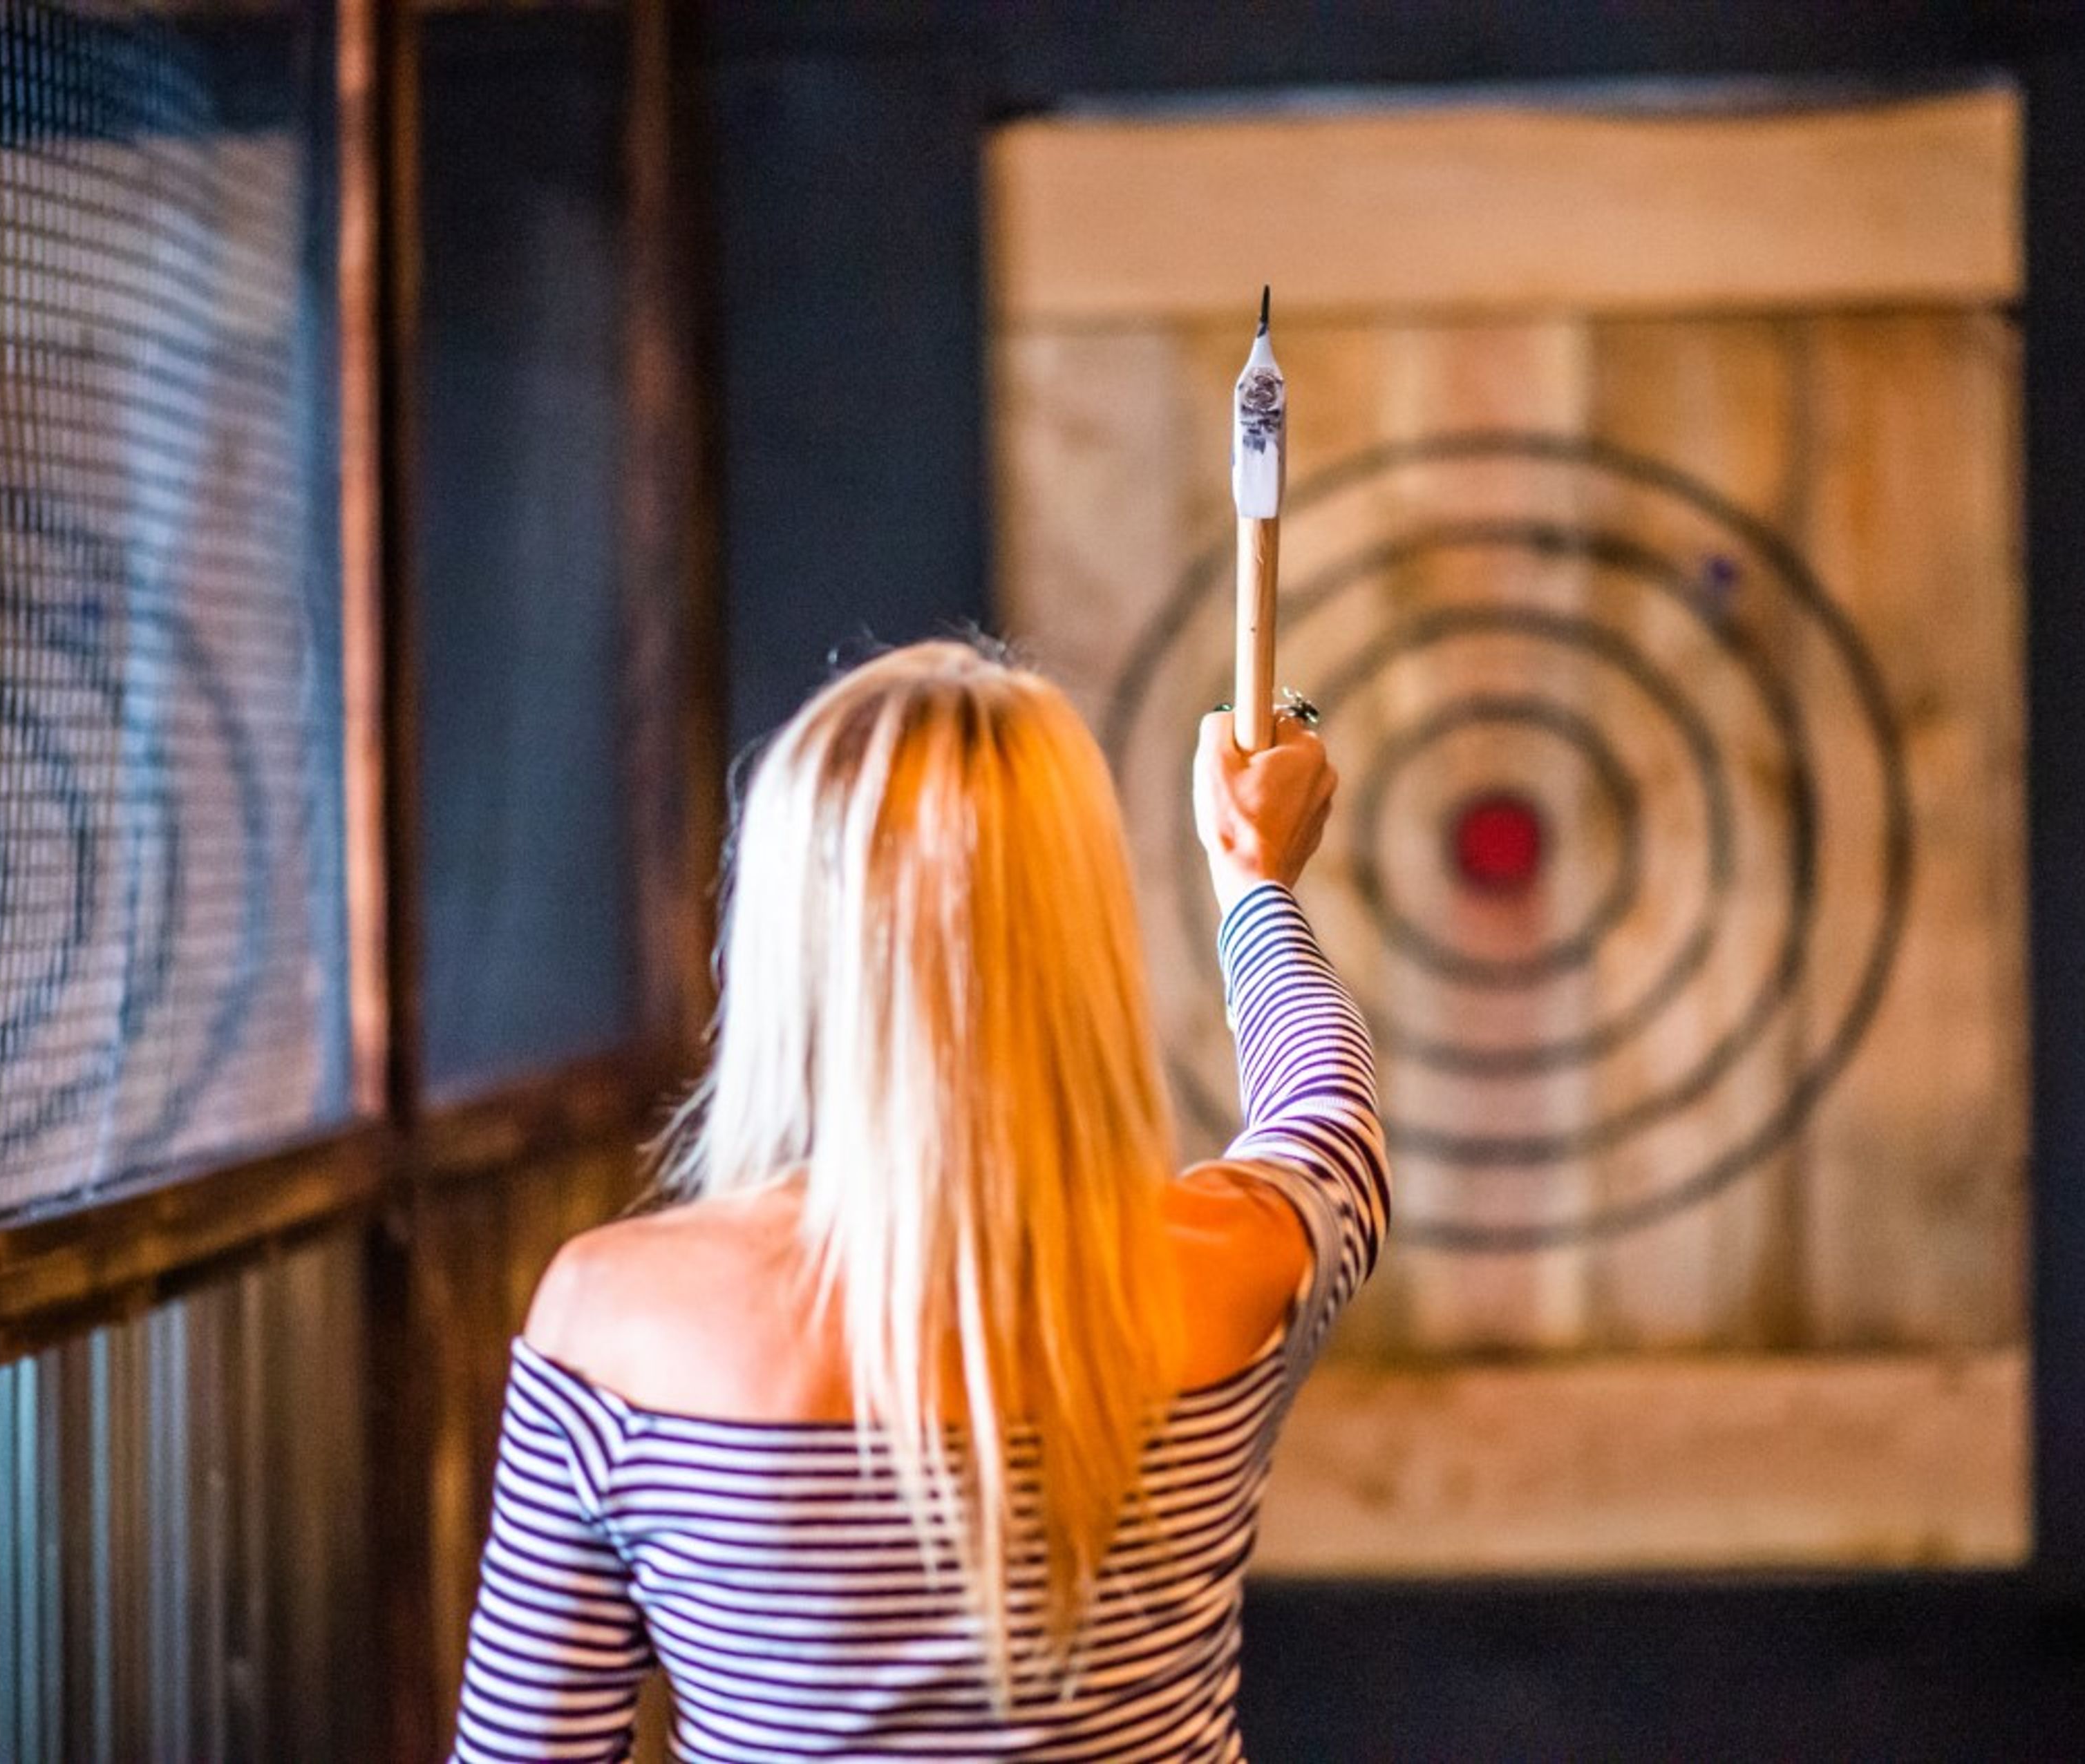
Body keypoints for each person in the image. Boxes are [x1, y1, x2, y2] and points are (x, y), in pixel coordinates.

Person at [447, 640, 1387, 1762]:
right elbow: (1327, 1109)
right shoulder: (1233, 1274)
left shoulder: (610, 1322)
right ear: (1079, 934)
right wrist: (1253, 882)